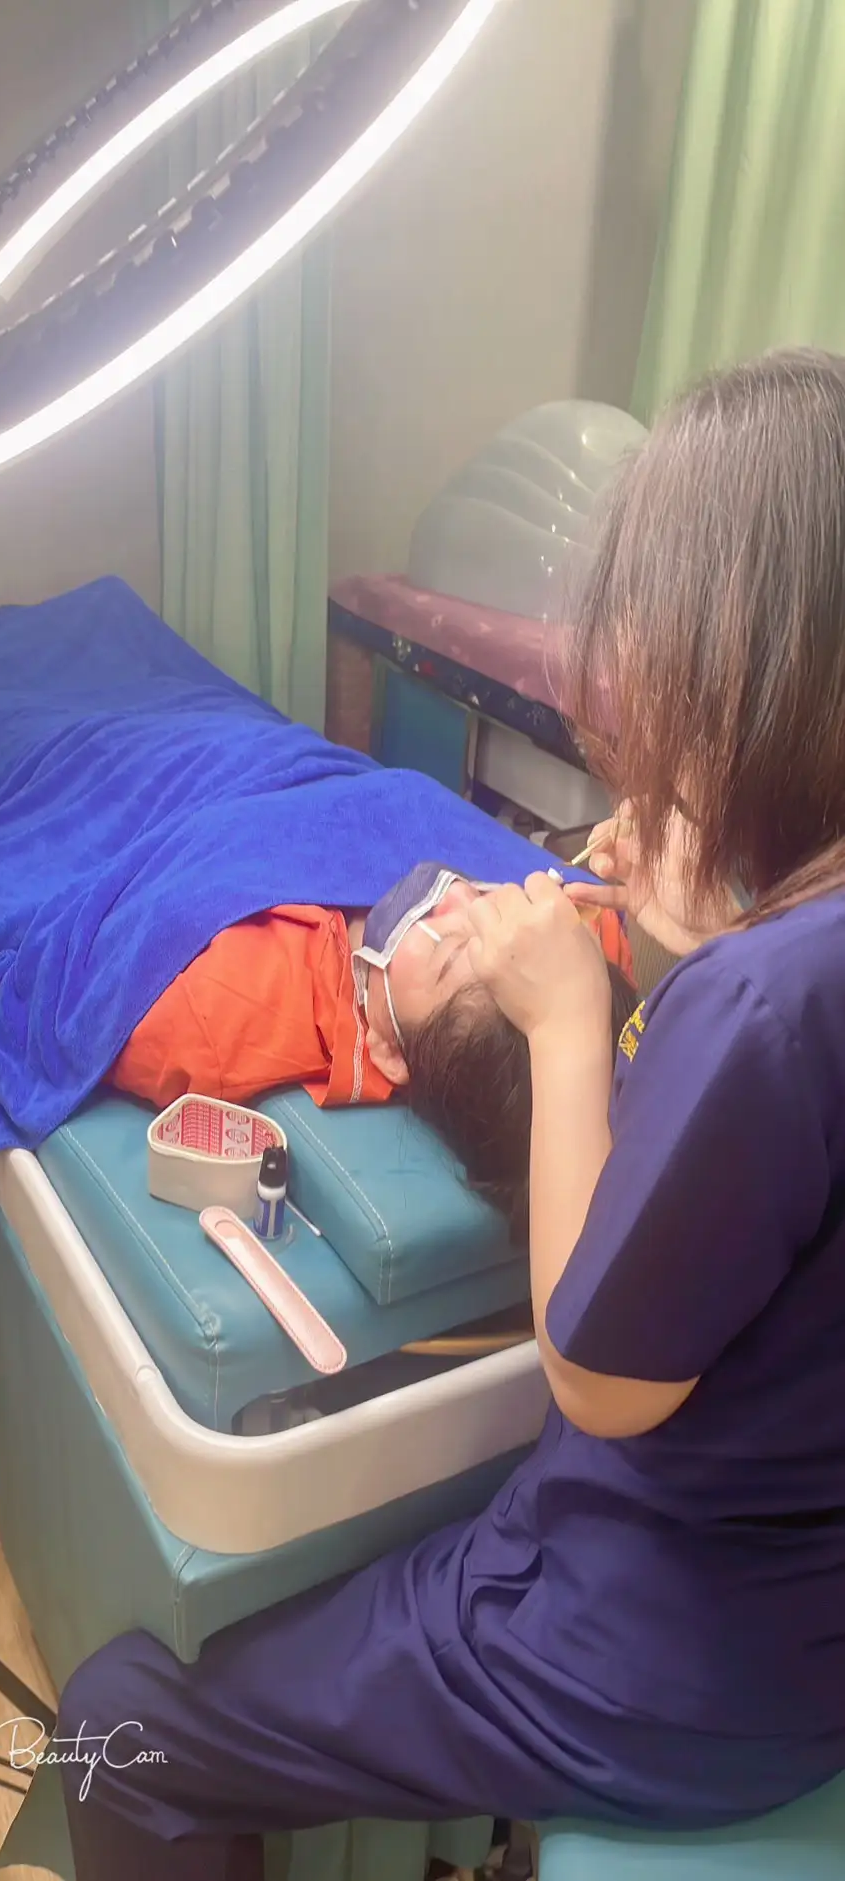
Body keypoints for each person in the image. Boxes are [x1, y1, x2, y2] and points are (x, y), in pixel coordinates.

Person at [56, 348, 845, 1880]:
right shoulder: (774, 957)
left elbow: (599, 1378)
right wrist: (698, 926)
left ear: (741, 658)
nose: (459, 904)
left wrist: (566, 1022)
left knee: (114, 1727)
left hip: (660, 1660)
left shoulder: (747, 1008)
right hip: (803, 1621)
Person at [107, 864, 635, 1237]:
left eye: (449, 950)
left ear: (388, 1052)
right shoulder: (581, 943)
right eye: (491, 907)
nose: (457, 895)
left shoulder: (214, 1012)